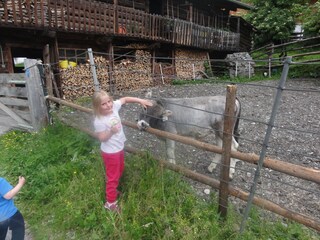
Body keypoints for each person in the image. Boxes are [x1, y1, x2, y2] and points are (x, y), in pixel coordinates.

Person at [92, 90, 152, 212]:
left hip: (118, 148)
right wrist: (111, 131)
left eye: (109, 101)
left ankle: (112, 190)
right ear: (97, 107)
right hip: (110, 152)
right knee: (113, 176)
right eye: (104, 104)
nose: (108, 105)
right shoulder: (99, 120)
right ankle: (110, 203)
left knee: (119, 170)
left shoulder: (113, 108)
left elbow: (124, 99)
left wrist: (140, 100)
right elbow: (102, 138)